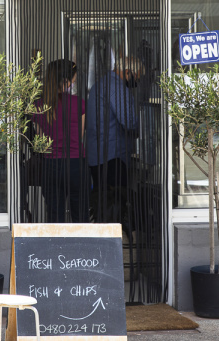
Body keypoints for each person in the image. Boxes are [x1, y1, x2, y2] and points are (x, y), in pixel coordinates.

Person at [85, 56, 143, 223]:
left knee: (101, 202)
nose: (137, 81)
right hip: (112, 155)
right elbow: (128, 121)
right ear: (127, 72)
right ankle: (112, 240)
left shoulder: (100, 84)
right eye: (137, 77)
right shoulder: (117, 88)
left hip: (97, 154)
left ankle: (102, 237)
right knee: (114, 205)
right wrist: (141, 129)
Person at [32, 60, 87, 223]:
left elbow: (40, 143)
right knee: (81, 216)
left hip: (51, 165)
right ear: (66, 81)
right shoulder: (79, 103)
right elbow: (80, 135)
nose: (73, 84)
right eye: (73, 81)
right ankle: (82, 248)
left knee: (55, 216)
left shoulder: (38, 106)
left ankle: (57, 248)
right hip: (77, 164)